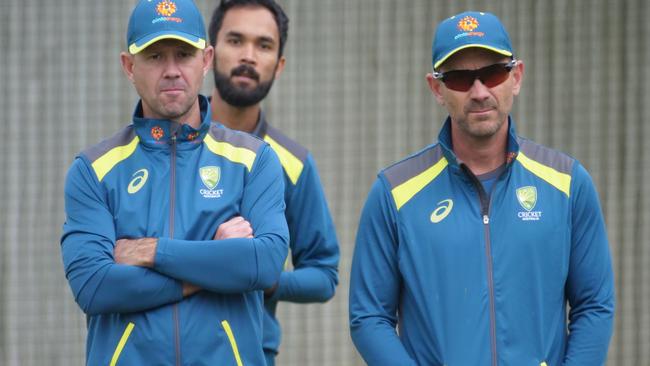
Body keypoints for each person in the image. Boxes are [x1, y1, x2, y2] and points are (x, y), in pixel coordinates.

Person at [349, 11, 614, 366]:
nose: (479, 92)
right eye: (459, 78)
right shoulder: (394, 193)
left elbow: (594, 305)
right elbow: (369, 317)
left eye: (492, 73)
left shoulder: (568, 184)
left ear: (516, 77)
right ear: (436, 88)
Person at [60, 0, 289, 364]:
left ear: (206, 59)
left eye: (183, 54)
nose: (171, 70)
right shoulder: (93, 169)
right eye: (154, 57)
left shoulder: (254, 159)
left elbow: (263, 264)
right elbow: (94, 286)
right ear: (129, 66)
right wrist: (212, 264)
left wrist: (151, 251)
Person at [207, 1, 340, 364]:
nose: (248, 56)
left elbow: (323, 274)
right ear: (209, 52)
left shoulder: (293, 164)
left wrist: (266, 279)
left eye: (264, 45)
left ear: (279, 65)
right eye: (235, 40)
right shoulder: (166, 143)